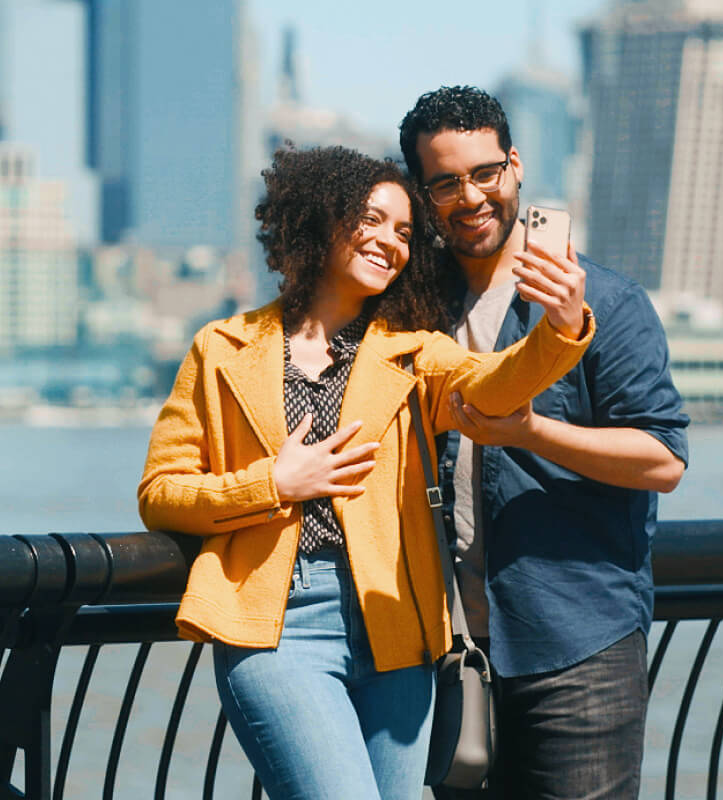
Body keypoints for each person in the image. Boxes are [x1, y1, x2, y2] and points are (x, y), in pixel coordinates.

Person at [137, 146, 594, 800]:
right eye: (372, 220)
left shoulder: (414, 354)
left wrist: (562, 324)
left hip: (397, 630)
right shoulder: (222, 348)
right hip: (278, 628)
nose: (391, 241)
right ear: (320, 219)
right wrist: (274, 485)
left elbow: (494, 387)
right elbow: (161, 493)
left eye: (405, 232)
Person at [399, 86, 690, 799]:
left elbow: (664, 461)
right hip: (443, 651)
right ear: (423, 192)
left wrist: (532, 431)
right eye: (444, 182)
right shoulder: (412, 308)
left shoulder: (605, 303)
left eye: (485, 172)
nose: (470, 197)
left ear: (516, 166)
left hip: (576, 644)